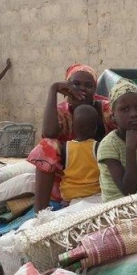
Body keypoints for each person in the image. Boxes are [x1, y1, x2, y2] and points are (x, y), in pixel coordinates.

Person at [28, 64, 114, 211]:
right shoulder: (62, 111)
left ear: (95, 90)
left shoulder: (106, 108)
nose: (82, 89)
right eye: (75, 84)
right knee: (47, 145)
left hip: (103, 174)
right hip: (68, 177)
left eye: (89, 85)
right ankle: (41, 212)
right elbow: (48, 133)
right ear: (66, 88)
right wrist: (53, 89)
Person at [57, 104, 103, 203]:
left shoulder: (66, 147)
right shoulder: (97, 147)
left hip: (69, 195)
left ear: (72, 127)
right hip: (93, 193)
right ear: (95, 129)